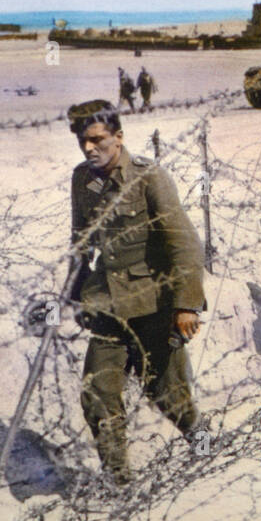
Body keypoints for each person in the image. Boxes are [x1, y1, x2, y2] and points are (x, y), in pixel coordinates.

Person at [66, 100, 205, 483]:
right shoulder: (84, 180)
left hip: (155, 305)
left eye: (97, 140)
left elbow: (184, 245)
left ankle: (207, 446)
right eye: (83, 141)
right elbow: (80, 245)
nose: (90, 148)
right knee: (98, 393)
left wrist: (187, 305)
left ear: (118, 137)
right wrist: (75, 296)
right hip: (108, 305)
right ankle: (119, 479)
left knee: (168, 394)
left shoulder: (148, 177)